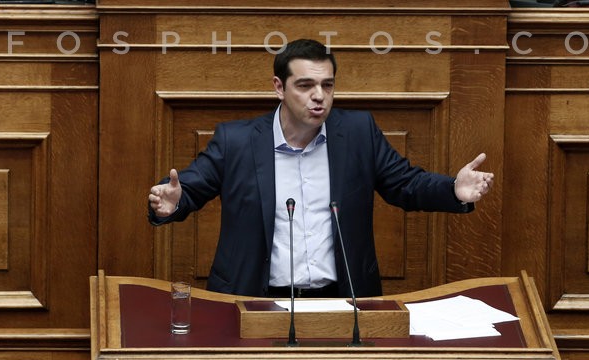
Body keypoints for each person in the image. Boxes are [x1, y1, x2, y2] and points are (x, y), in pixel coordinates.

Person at [148, 38, 494, 298]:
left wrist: (453, 189)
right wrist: (173, 202)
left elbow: (406, 184)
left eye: (327, 85)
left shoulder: (358, 133)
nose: (319, 96)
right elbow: (191, 188)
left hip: (341, 299)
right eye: (305, 86)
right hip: (254, 298)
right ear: (279, 87)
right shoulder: (235, 140)